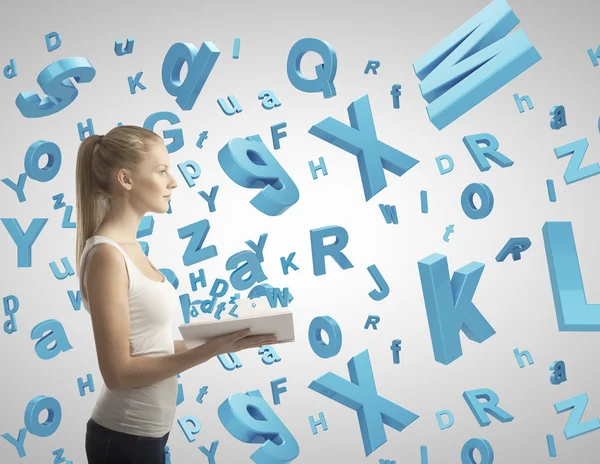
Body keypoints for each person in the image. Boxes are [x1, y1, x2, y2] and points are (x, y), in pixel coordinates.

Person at [75, 125, 276, 464]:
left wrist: (226, 339)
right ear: (126, 179)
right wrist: (211, 350)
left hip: (145, 435)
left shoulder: (130, 249)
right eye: (162, 170)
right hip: (124, 439)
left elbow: (150, 347)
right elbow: (118, 373)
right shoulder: (108, 256)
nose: (174, 181)